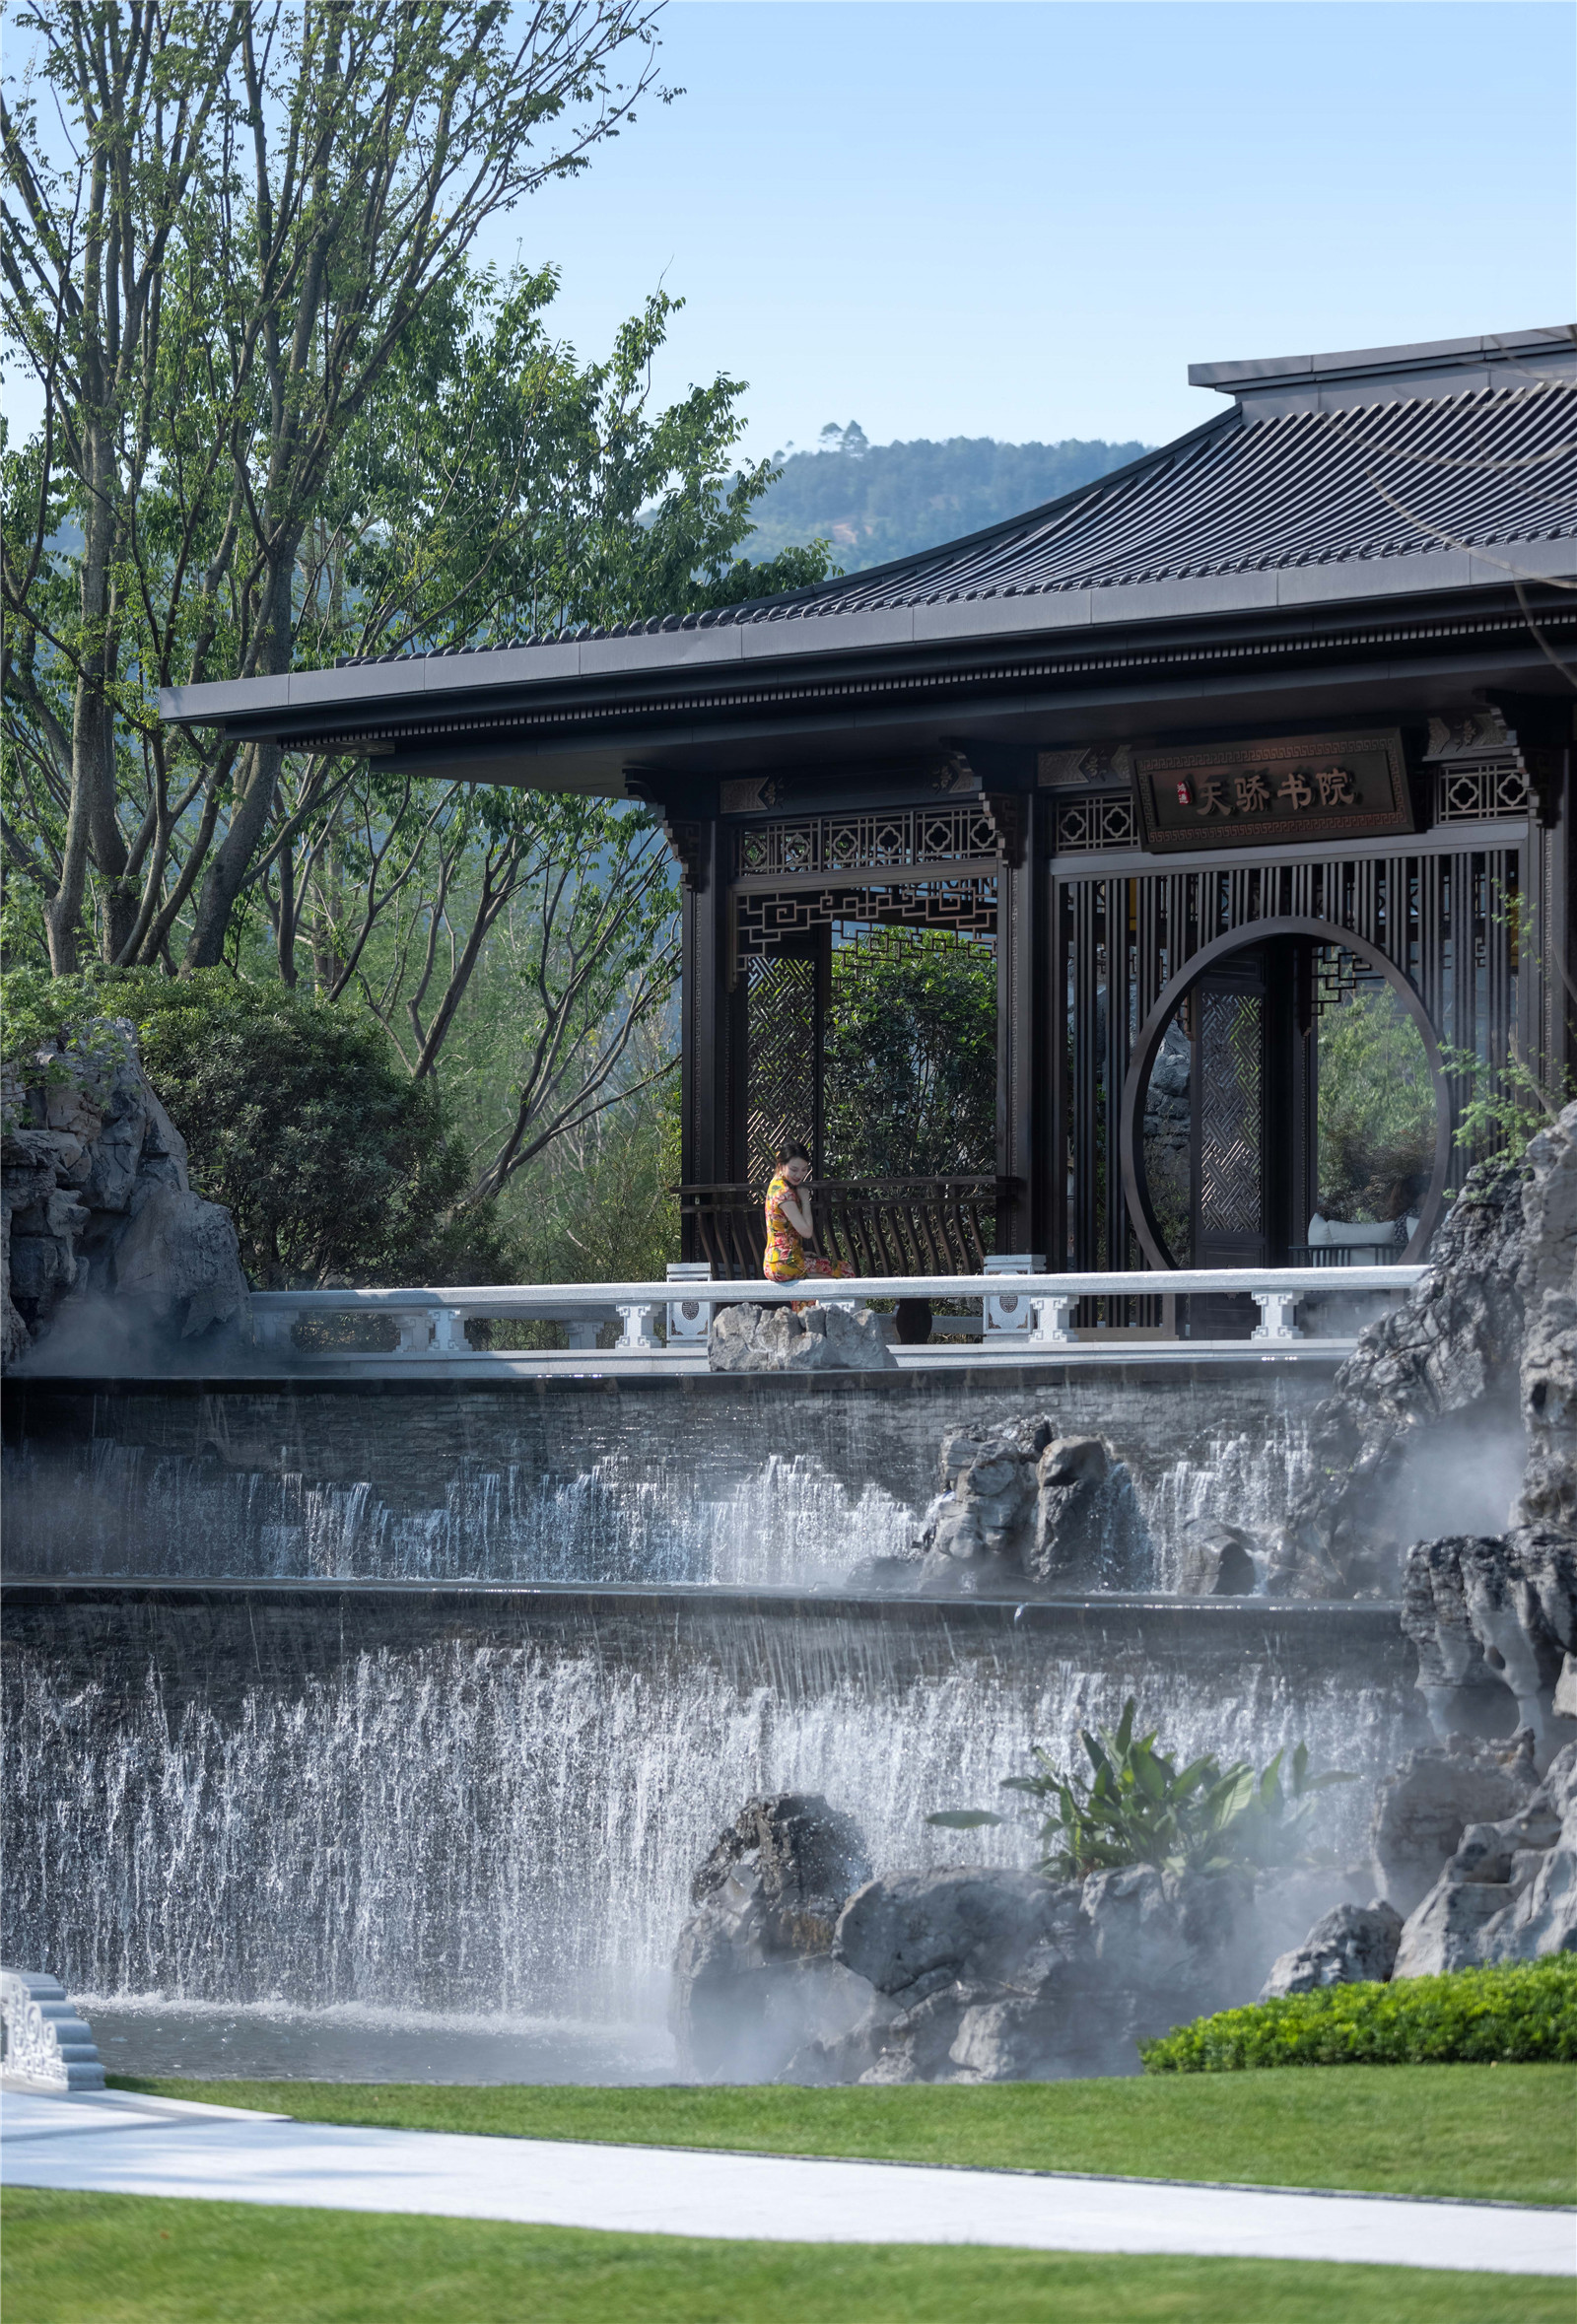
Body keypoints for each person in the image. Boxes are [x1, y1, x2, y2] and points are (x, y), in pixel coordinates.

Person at [763, 1145, 854, 1285]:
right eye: (794, 1170)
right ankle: (836, 1308)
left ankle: (805, 1307)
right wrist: (806, 1200)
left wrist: (799, 1252)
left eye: (804, 1170)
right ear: (781, 1166)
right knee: (844, 1270)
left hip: (777, 1261)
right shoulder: (784, 1193)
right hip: (786, 1263)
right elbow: (806, 1231)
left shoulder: (775, 1184)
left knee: (812, 1279)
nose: (799, 1175)